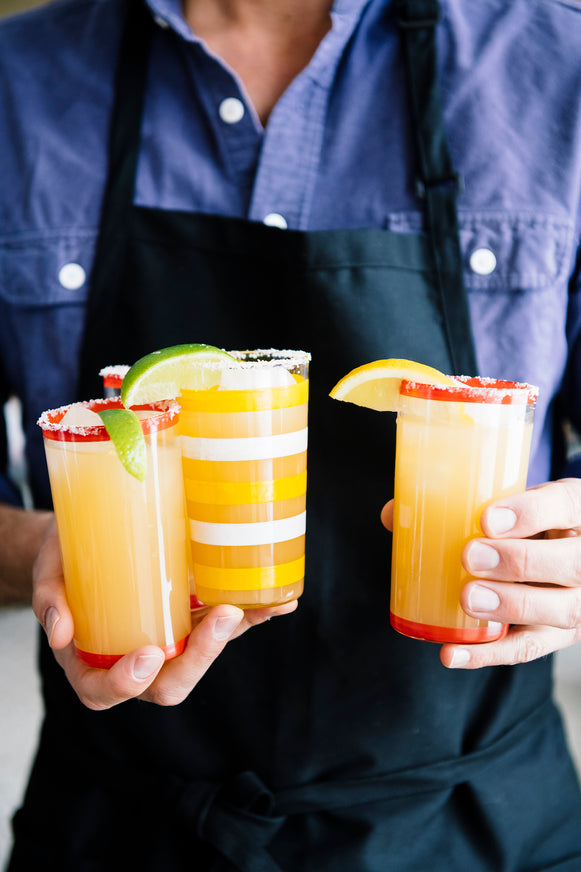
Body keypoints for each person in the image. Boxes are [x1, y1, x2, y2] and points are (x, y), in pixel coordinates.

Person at [1, 0, 581, 868]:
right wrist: (51, 549)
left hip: (470, 822)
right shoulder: (16, 80)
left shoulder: (559, 63)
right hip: (119, 823)